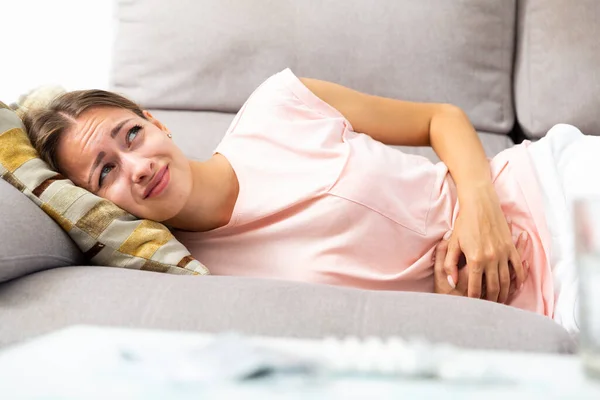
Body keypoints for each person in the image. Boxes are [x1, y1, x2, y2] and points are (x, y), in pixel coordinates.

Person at [21, 68, 582, 334]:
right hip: (540, 308)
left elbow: (442, 119)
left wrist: (480, 212)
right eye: (106, 173)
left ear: (156, 121)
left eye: (131, 135)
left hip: (550, 188)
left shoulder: (279, 105)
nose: (138, 168)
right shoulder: (202, 287)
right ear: (96, 206)